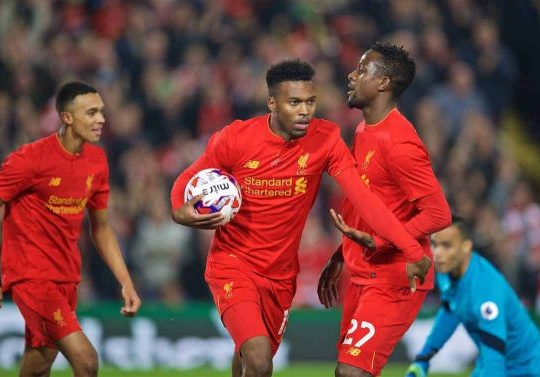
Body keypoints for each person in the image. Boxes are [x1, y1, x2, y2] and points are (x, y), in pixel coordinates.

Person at [170, 60, 431, 377]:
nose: (305, 110)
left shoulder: (325, 139)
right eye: (294, 102)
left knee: (248, 357)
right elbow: (188, 178)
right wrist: (178, 210)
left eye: (310, 101)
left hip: (280, 276)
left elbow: (366, 201)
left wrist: (412, 249)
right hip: (233, 264)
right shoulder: (235, 138)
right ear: (272, 103)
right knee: (260, 358)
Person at [0, 81, 141, 377]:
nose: (101, 119)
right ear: (67, 118)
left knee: (37, 366)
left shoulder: (97, 161)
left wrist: (126, 282)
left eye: (102, 112)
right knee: (87, 360)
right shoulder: (29, 160)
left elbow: (102, 228)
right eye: (91, 112)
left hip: (66, 277)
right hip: (31, 277)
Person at [318, 42, 451, 377]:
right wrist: (341, 253)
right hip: (363, 271)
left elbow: (438, 214)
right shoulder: (364, 131)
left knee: (351, 373)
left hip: (397, 275)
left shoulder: (400, 143)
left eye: (362, 69)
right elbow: (372, 205)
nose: (351, 74)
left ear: (383, 83)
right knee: (347, 372)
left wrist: (381, 243)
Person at [405, 216, 540, 377]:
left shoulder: (485, 292)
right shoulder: (447, 272)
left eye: (446, 246)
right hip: (489, 358)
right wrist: (423, 358)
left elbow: (494, 359)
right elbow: (450, 312)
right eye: (434, 244)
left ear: (466, 247)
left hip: (525, 366)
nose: (437, 254)